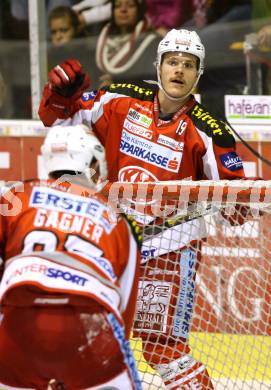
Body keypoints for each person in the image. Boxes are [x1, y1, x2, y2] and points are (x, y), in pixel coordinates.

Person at [38, 29, 250, 389]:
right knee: (85, 333)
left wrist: (240, 196)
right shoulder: (119, 99)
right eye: (172, 62)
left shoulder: (211, 131)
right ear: (158, 66)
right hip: (115, 242)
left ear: (198, 73)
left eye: (188, 64)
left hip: (169, 247)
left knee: (161, 349)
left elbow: (237, 212)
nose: (179, 70)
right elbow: (56, 119)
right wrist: (58, 94)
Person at [0, 124, 142, 390]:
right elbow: (124, 307)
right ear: (91, 163)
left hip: (18, 324)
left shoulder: (18, 196)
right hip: (90, 325)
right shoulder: (117, 218)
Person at [95, 0, 158, 88]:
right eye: (117, 6)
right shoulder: (97, 40)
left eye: (130, 5)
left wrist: (117, 82)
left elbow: (151, 80)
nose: (123, 10)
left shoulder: (152, 42)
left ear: (139, 11)